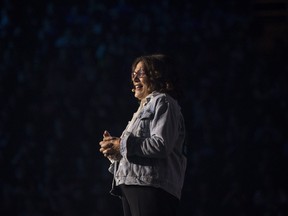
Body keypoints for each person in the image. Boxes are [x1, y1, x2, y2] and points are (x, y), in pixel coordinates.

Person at [99, 54, 187, 216]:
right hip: (133, 184)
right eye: (133, 74)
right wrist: (115, 150)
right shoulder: (142, 109)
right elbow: (132, 149)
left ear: (156, 75)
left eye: (141, 73)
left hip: (151, 186)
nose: (135, 78)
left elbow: (161, 145)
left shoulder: (164, 102)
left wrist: (122, 144)